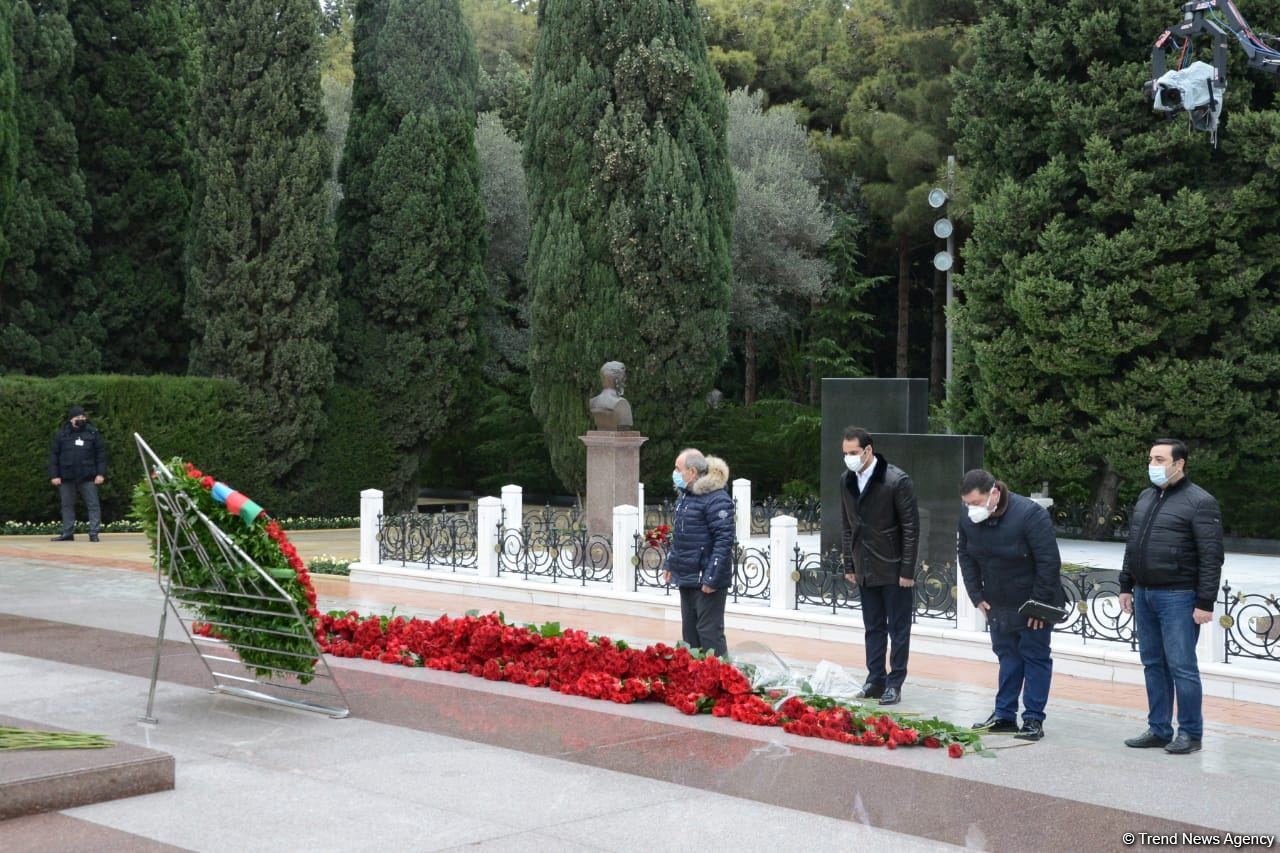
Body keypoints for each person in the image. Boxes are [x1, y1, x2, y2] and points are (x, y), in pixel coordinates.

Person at [1120, 439, 1223, 755]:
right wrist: (1126, 584)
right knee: (1153, 663)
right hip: (1144, 594)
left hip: (1178, 595)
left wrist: (1205, 601)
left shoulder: (1200, 502)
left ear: (1179, 464)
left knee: (1181, 666)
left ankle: (1191, 733)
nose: (1153, 464)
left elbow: (1211, 555)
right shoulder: (1146, 496)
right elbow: (1133, 543)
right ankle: (1159, 729)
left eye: (1159, 459)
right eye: (1151, 458)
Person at [957, 469, 1063, 742]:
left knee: (1034, 656)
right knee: (1007, 656)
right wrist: (976, 595)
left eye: (976, 503)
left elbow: (1048, 562)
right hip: (997, 601)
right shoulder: (968, 516)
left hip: (1032, 600)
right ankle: (1004, 715)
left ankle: (1033, 719)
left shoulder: (1029, 514)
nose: (971, 509)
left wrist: (1039, 604)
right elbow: (965, 555)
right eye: (967, 503)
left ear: (994, 493)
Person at [839, 427, 919, 706]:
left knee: (898, 628)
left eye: (853, 453)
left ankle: (895, 683)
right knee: (872, 627)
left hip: (894, 567)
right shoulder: (847, 480)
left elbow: (911, 528)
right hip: (865, 566)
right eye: (845, 454)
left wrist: (907, 570)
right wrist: (850, 563)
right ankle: (875, 679)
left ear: (868, 450)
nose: (849, 458)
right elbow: (848, 525)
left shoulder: (896, 480)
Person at [662, 448, 734, 657]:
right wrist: (670, 563)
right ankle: (695, 679)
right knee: (691, 634)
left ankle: (722, 679)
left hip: (707, 579)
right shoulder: (686, 497)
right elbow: (683, 536)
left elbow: (724, 540)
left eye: (678, 468)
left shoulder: (717, 498)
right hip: (687, 575)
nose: (675, 473)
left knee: (709, 633)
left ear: (692, 472)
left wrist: (711, 578)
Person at [47, 405, 107, 542]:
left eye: (82, 417)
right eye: (77, 417)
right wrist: (54, 475)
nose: (81, 419)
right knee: (67, 505)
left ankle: (94, 532)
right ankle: (68, 533)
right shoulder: (62, 434)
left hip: (88, 476)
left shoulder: (93, 433)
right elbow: (54, 456)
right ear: (71, 419)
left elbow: (101, 455)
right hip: (66, 476)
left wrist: (100, 474)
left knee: (93, 504)